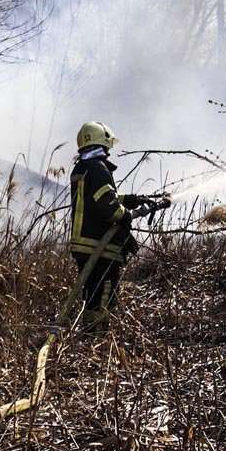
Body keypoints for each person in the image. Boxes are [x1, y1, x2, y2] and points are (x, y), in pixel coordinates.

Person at [68, 121, 159, 336]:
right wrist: (127, 215)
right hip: (100, 246)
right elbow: (108, 207)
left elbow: (100, 197)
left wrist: (131, 199)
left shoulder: (83, 168)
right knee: (104, 295)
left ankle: (89, 334)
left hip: (85, 244)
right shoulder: (98, 169)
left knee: (93, 294)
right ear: (104, 142)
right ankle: (96, 337)